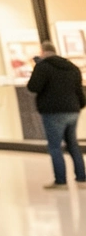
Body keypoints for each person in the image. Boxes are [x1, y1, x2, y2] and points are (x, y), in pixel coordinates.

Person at [26, 41, 86, 189]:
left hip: (53, 112)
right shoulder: (72, 68)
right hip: (72, 110)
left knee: (54, 146)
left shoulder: (43, 67)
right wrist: (79, 106)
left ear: (43, 52)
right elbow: (79, 91)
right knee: (72, 144)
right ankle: (82, 177)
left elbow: (33, 87)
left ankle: (61, 180)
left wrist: (36, 68)